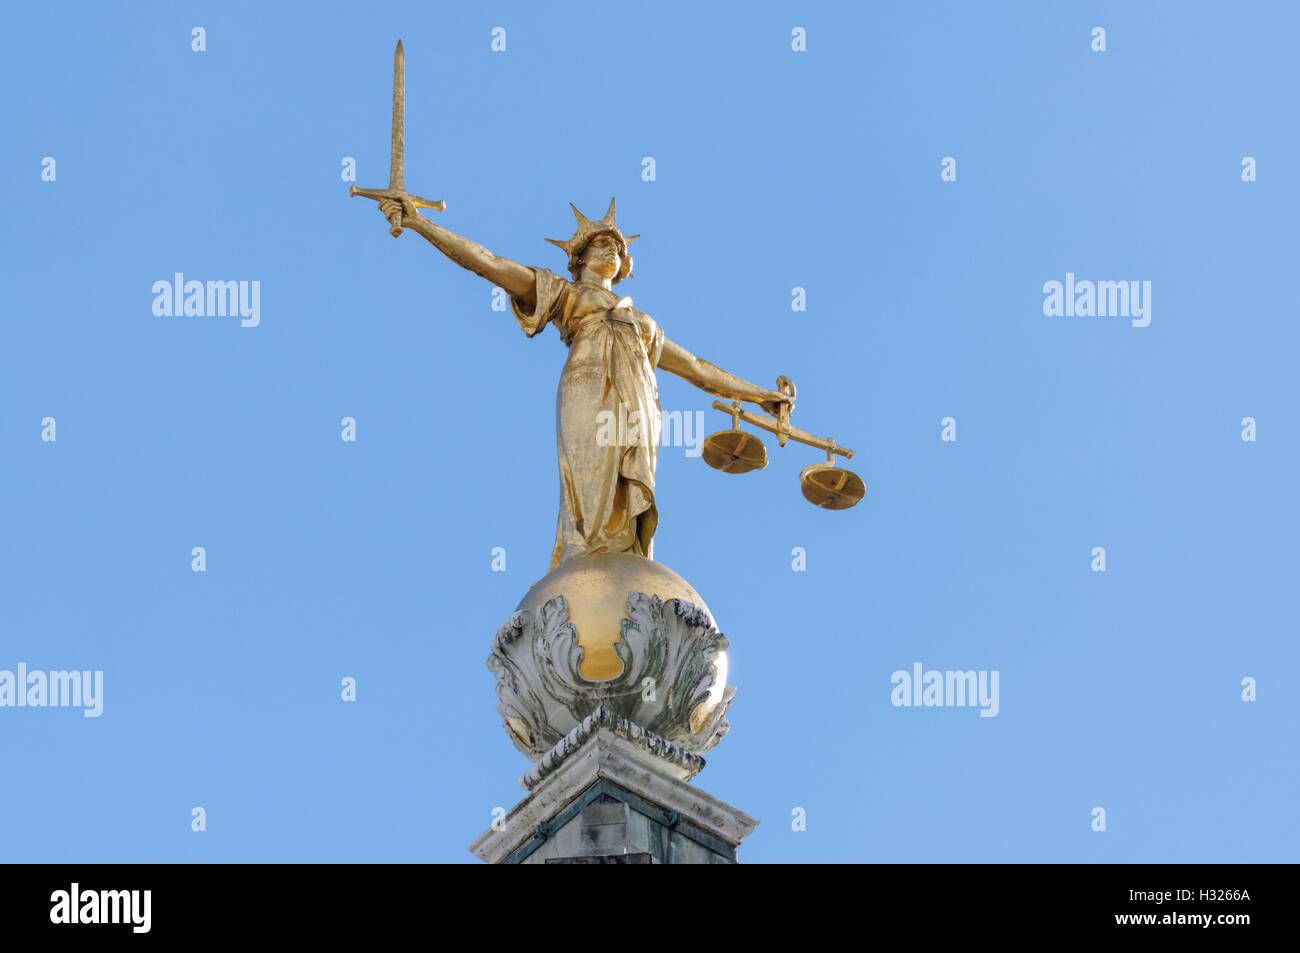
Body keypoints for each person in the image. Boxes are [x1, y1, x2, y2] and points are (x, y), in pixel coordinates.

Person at [377, 195, 792, 570]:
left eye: (618, 247)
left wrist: (760, 396)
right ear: (579, 258)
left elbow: (697, 368)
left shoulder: (643, 323)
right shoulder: (566, 294)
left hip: (641, 400)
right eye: (601, 244)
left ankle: (623, 559)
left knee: (628, 481)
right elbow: (490, 263)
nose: (612, 249)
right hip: (589, 386)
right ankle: (585, 560)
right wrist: (420, 223)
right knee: (592, 477)